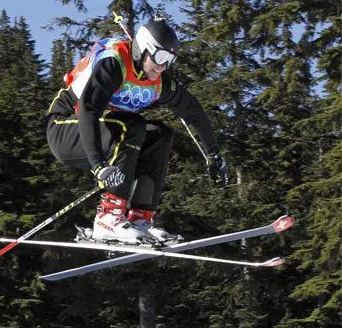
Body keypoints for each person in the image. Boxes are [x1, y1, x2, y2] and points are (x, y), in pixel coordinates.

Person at [47, 18, 229, 244]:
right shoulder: (115, 63)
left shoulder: (159, 82)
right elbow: (88, 110)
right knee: (132, 126)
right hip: (65, 128)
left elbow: (193, 111)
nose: (163, 66)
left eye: (170, 60)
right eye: (161, 57)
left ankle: (141, 220)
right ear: (143, 50)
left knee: (160, 135)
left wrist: (214, 155)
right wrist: (98, 165)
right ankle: (108, 217)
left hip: (103, 132)